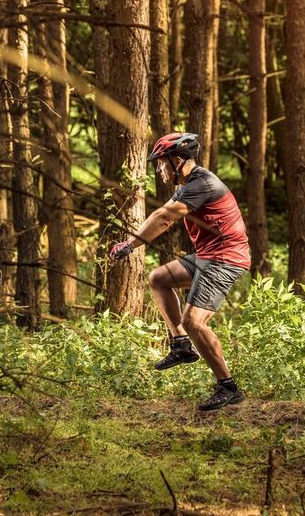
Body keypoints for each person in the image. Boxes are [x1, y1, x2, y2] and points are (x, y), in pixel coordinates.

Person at [110, 132, 251, 411]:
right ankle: (181, 346)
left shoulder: (203, 183)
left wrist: (130, 244)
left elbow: (163, 218)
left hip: (224, 258)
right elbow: (164, 212)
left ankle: (228, 387)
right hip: (207, 256)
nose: (159, 170)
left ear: (177, 160)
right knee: (159, 278)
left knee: (195, 321)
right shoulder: (188, 184)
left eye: (161, 163)